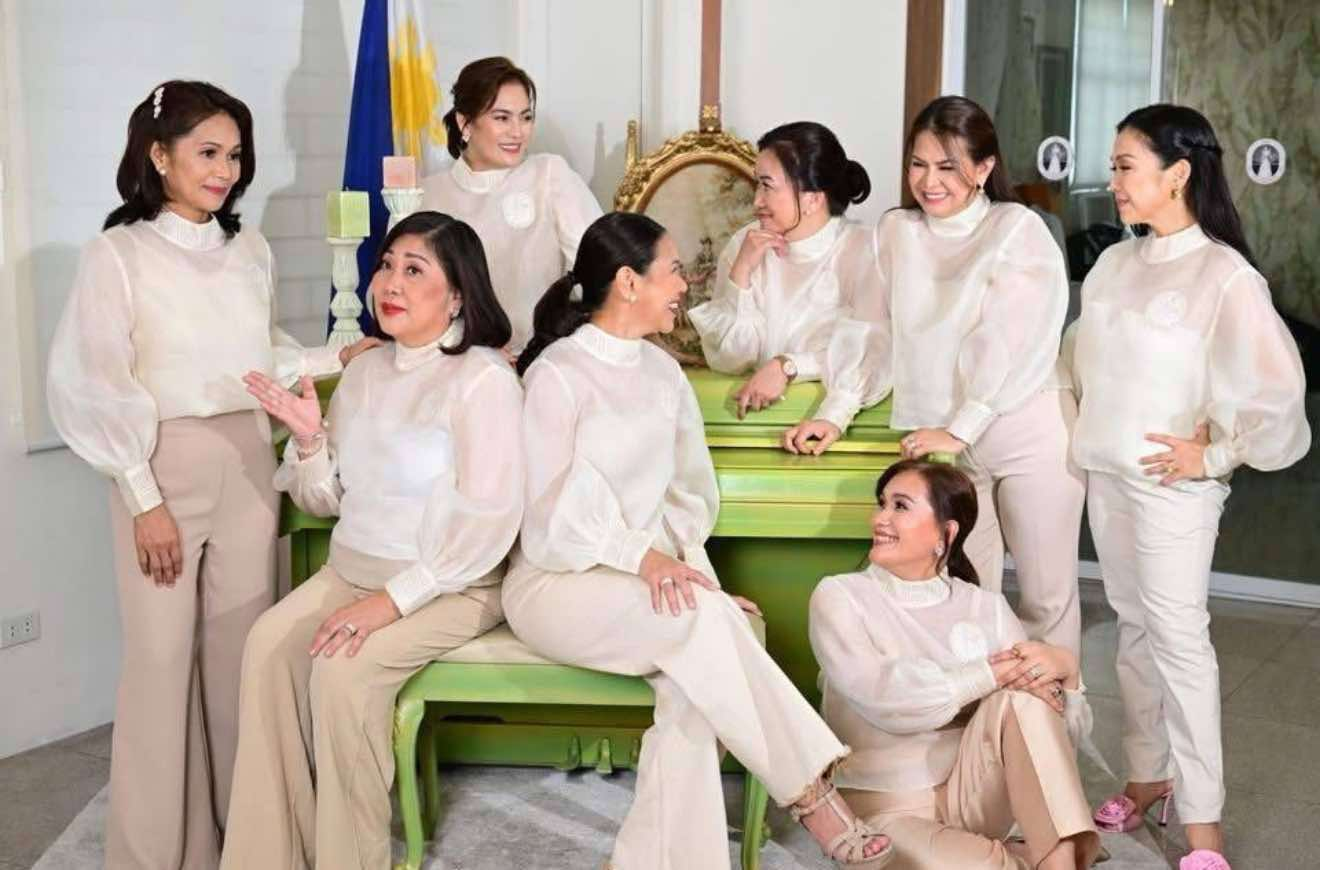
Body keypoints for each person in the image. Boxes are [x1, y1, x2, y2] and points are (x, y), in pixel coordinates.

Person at [45, 79, 373, 869]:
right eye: (207, 153)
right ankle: (156, 855)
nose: (225, 170)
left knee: (241, 662)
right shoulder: (116, 254)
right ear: (159, 156)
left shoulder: (249, 249)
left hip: (248, 462)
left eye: (234, 155)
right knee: (160, 665)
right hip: (162, 467)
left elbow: (260, 356)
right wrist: (143, 498)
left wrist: (340, 354)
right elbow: (92, 382)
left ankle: (246, 845)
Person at [505, 212, 894, 869]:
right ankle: (815, 798)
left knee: (693, 683)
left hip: (644, 583)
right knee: (704, 630)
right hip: (555, 584)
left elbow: (684, 502)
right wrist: (645, 560)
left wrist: (701, 584)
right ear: (629, 282)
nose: (685, 286)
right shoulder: (558, 373)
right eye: (675, 270)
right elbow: (549, 513)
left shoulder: (664, 375)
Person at [219, 211, 523, 869]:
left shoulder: (483, 380)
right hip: (351, 572)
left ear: (458, 294)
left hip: (451, 585)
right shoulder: (363, 373)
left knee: (343, 673)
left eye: (414, 270)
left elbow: (489, 524)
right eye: (387, 265)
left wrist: (390, 602)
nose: (390, 282)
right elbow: (328, 501)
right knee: (267, 647)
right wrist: (310, 439)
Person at [1061, 104, 1310, 870]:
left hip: (1174, 489)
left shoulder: (1223, 275)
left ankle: (1204, 827)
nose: (1112, 181)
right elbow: (1078, 358)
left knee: (1178, 643)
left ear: (1177, 174)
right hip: (1109, 474)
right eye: (1113, 165)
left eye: (1125, 166)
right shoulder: (1114, 263)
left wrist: (1213, 456)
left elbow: (1279, 395)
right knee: (1133, 631)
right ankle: (1147, 777)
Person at [786, 96, 1085, 656]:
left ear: (984, 168)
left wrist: (961, 427)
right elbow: (872, 330)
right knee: (967, 596)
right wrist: (835, 412)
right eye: (918, 164)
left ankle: (1055, 712)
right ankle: (977, 712)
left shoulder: (1015, 228)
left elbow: (1013, 337)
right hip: (948, 440)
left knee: (1046, 599)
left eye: (948, 166)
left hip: (1027, 424)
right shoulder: (895, 232)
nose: (929, 181)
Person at [810, 459, 1101, 870]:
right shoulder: (841, 596)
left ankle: (1056, 862)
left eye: (900, 506)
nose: (880, 519)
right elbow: (885, 696)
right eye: (882, 504)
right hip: (884, 813)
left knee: (1024, 699)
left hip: (974, 797)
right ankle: (1040, 856)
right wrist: (990, 674)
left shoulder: (987, 607)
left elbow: (1048, 744)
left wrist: (1066, 673)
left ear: (945, 533)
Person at [688, 121, 874, 418]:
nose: (756, 201)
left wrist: (787, 366)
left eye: (767, 185)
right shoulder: (744, 244)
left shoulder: (863, 250)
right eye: (757, 184)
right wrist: (742, 272)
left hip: (832, 417)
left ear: (812, 198)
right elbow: (731, 360)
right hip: (748, 415)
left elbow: (871, 352)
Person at [421, 55, 602, 352]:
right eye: (502, 118)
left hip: (544, 359)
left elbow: (601, 273)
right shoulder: (427, 195)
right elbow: (405, 297)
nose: (518, 132)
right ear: (465, 122)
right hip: (455, 362)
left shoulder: (549, 175)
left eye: (526, 117)